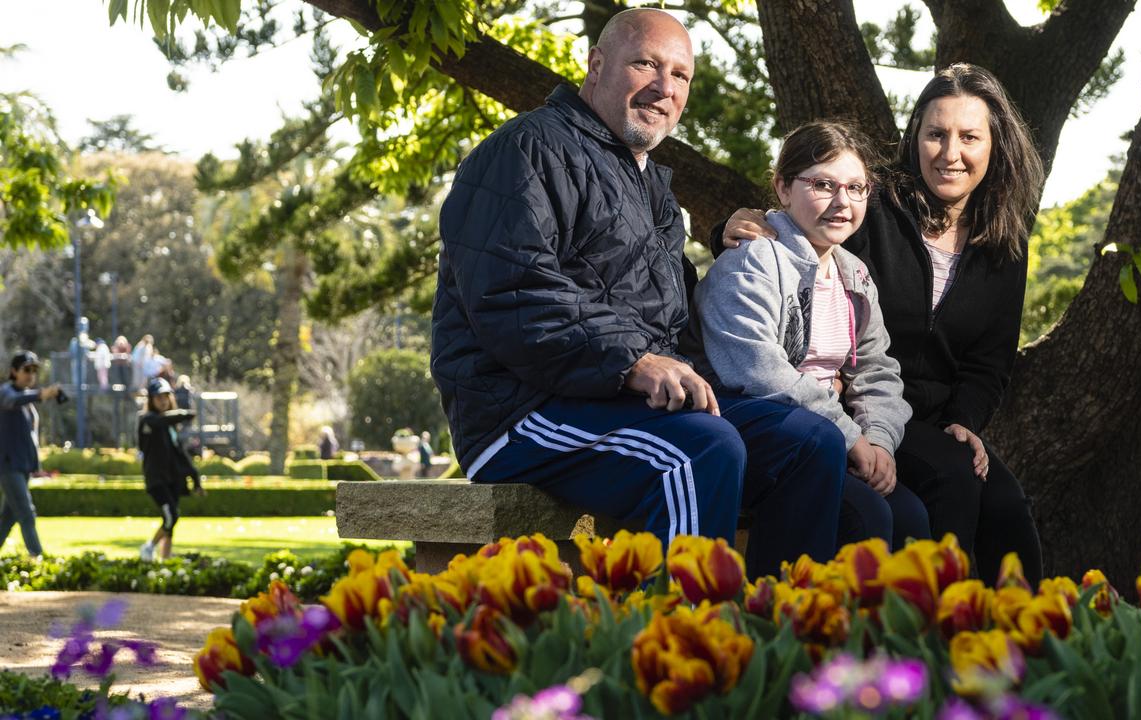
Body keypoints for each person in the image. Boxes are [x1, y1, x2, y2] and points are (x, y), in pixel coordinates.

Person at [431, 8, 846, 578]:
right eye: (646, 64)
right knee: (699, 451)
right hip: (520, 410)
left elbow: (670, 315)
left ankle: (783, 640)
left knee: (810, 442)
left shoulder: (648, 183)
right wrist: (632, 361)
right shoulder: (527, 150)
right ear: (596, 65)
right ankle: (681, 653)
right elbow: (514, 292)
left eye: (679, 76)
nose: (663, 87)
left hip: (615, 401)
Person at [718, 63, 1045, 585]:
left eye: (969, 137)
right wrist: (732, 228)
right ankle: (933, 631)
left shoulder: (1004, 241)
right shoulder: (878, 203)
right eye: (935, 134)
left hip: (934, 416)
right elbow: (809, 219)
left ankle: (1026, 645)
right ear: (916, 136)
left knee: (1007, 509)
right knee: (951, 481)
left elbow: (992, 357)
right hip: (856, 403)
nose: (950, 153)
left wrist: (966, 419)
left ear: (995, 145)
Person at [685, 121, 929, 551]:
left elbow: (878, 370)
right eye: (823, 184)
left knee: (911, 517)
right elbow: (758, 371)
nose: (842, 202)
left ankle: (890, 622)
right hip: (759, 430)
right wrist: (850, 438)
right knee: (863, 517)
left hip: (830, 433)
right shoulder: (754, 260)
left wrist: (878, 439)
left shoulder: (854, 274)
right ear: (782, 187)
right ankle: (796, 614)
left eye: (856, 188)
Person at [0, 351, 60, 558]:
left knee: (8, 517)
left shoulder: (27, 401)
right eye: (26, 370)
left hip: (22, 467)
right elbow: (11, 400)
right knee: (27, 513)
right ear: (14, 371)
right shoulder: (7, 392)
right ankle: (37, 557)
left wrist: (35, 465)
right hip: (8, 466)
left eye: (34, 371)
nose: (31, 375)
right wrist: (40, 394)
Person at [137, 377, 204, 561]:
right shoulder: (147, 421)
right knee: (171, 516)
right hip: (156, 479)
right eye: (158, 397)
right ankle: (149, 548)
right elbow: (159, 421)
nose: (163, 401)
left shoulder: (170, 428)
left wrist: (195, 479)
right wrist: (184, 414)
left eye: (166, 397)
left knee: (171, 519)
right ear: (151, 399)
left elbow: (180, 455)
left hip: (171, 479)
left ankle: (165, 558)